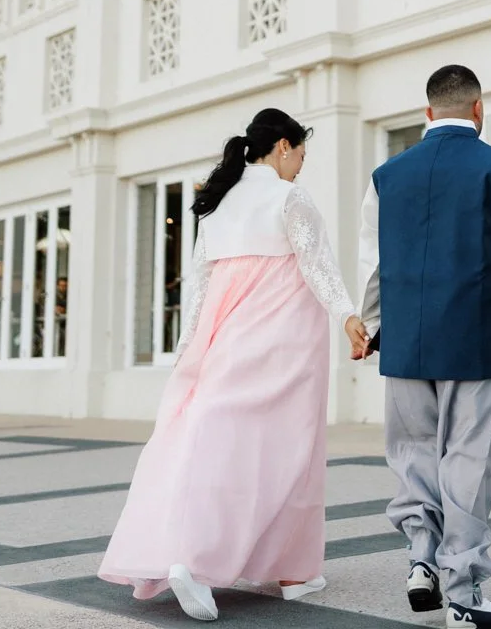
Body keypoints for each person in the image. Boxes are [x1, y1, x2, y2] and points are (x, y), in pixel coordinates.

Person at [99, 108, 367, 621]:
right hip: (283, 339)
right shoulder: (289, 197)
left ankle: (203, 555)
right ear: (283, 147)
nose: (301, 168)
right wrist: (347, 316)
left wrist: (188, 348)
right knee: (289, 449)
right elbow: (318, 266)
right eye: (301, 156)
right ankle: (269, 568)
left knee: (212, 444)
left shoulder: (218, 203)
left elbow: (199, 283)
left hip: (225, 339)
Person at [357, 65, 491, 629]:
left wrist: (368, 324)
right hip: (475, 341)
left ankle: (420, 561)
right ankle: (464, 594)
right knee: (471, 461)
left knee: (413, 454)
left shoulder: (385, 177)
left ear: (427, 113)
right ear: (479, 109)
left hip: (404, 342)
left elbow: (372, 266)